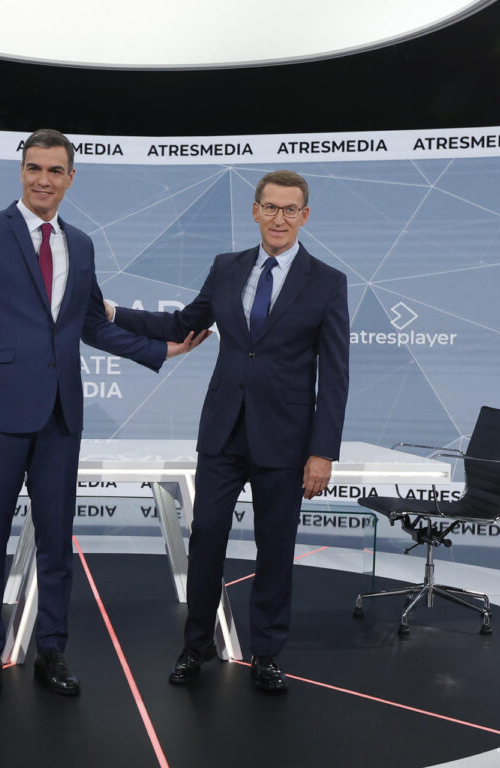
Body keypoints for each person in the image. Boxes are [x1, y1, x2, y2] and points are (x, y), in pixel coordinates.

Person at [0, 129, 206, 700]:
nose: (43, 180)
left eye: (55, 171)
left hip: (61, 418)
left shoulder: (80, 245)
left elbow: (91, 325)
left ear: (71, 178)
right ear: (21, 172)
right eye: (34, 168)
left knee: (58, 542)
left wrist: (165, 350)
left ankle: (51, 650)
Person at [107, 169, 349, 692]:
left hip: (286, 441)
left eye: (290, 210)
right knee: (208, 537)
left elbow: (335, 376)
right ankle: (196, 644)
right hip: (222, 433)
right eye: (270, 207)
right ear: (255, 210)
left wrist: (322, 452)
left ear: (305, 216)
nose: (279, 218)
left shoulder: (329, 282)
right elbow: (181, 326)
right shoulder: (226, 267)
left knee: (275, 547)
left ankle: (265, 652)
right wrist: (109, 311)